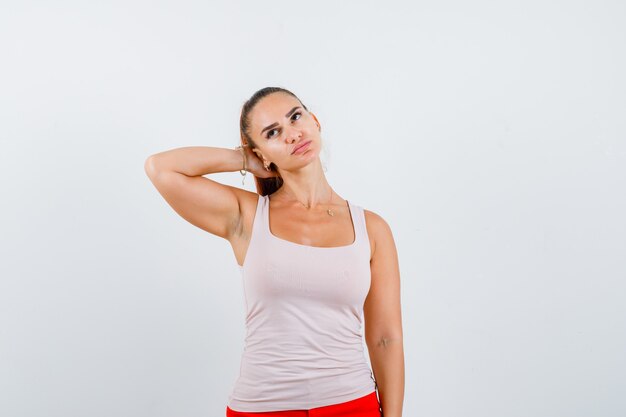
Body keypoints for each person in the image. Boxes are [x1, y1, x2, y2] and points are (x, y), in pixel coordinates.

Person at [144, 87, 404, 417]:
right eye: (273, 132)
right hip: (262, 407)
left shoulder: (371, 228)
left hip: (351, 403)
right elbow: (160, 168)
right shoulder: (247, 216)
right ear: (261, 152)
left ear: (315, 121)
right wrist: (243, 160)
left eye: (295, 117)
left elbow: (385, 338)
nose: (292, 134)